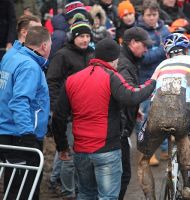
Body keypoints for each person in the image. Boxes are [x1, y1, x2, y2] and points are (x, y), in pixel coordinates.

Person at [51, 38, 156, 199]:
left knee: (86, 195)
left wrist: (62, 146)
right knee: (107, 197)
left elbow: (59, 116)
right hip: (106, 150)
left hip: (81, 150)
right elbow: (132, 96)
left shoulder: (72, 80)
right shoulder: (112, 77)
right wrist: (153, 82)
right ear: (114, 59)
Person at [137, 33, 190, 200]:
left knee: (143, 160)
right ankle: (187, 186)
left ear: (167, 54)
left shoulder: (161, 65)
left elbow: (149, 89)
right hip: (181, 112)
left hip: (156, 112)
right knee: (183, 138)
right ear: (187, 51)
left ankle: (150, 198)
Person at [0, 26, 51, 200]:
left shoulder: (11, 56)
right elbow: (19, 101)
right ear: (44, 46)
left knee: (13, 185)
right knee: (24, 190)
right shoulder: (29, 66)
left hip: (7, 130)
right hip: (20, 134)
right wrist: (28, 135)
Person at [46, 15, 94, 198]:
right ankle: (68, 192)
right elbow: (53, 82)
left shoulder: (91, 54)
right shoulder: (63, 55)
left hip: (87, 113)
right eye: (81, 36)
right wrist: (57, 108)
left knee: (83, 157)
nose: (85, 39)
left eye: (87, 36)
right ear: (73, 37)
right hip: (68, 115)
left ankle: (78, 188)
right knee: (69, 158)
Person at [117, 26, 152, 200]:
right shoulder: (124, 63)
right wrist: (153, 84)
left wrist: (134, 108)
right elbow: (127, 93)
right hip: (119, 129)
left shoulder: (129, 60)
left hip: (122, 123)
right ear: (132, 43)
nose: (146, 49)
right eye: (143, 45)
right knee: (122, 176)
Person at [136, 0, 170, 165]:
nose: (152, 18)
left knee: (164, 115)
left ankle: (164, 147)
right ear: (143, 15)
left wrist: (161, 49)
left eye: (154, 14)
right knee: (146, 117)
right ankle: (147, 151)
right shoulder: (139, 32)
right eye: (148, 15)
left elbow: (172, 50)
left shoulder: (165, 29)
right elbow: (144, 58)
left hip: (165, 77)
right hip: (145, 80)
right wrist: (163, 49)